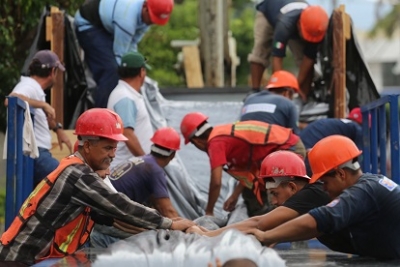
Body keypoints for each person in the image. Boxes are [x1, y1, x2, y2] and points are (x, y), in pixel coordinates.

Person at [0, 108, 194, 266]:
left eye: (115, 148)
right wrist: (169, 224)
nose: (113, 155)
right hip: (20, 260)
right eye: (107, 148)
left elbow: (111, 219)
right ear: (87, 147)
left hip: (34, 256)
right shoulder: (77, 175)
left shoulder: (80, 171)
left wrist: (156, 232)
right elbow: (119, 205)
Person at [245, 135, 400, 260]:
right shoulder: (371, 183)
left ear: (340, 174)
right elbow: (318, 229)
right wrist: (276, 237)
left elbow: (321, 219)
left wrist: (266, 235)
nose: (324, 188)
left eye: (325, 182)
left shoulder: (364, 191)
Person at [180, 112, 306, 217]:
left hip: (289, 147)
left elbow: (216, 183)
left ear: (196, 141)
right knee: (254, 191)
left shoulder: (215, 143)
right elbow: (249, 172)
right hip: (286, 146)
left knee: (276, 196)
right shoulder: (223, 134)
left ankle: (284, 238)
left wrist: (209, 211)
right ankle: (265, 228)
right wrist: (234, 196)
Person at [187, 151, 329, 238]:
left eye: (275, 193)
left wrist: (208, 235)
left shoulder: (310, 195)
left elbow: (259, 223)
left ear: (292, 187)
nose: (273, 201)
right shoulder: (314, 195)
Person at [90, 127, 182, 248]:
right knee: (155, 238)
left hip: (99, 213)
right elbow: (168, 211)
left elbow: (157, 204)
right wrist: (185, 233)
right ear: (173, 154)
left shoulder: (142, 161)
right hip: (108, 221)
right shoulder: (154, 170)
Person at [74, 0, 174, 108]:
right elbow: (120, 56)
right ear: (145, 7)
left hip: (108, 26)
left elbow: (132, 45)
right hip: (88, 24)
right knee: (111, 70)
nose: (151, 22)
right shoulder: (127, 19)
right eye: (151, 17)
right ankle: (101, 114)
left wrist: (139, 68)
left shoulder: (147, 17)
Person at [6, 50, 72, 186]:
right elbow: (11, 99)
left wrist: (57, 129)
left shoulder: (34, 89)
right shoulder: (29, 86)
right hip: (35, 155)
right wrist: (43, 105)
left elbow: (39, 114)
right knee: (68, 181)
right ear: (53, 71)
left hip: (35, 154)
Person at [248, 0, 329, 99]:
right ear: (299, 25)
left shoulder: (316, 27)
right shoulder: (285, 25)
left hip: (294, 22)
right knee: (261, 49)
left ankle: (305, 94)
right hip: (268, 14)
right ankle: (254, 90)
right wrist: (280, 90)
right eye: (306, 36)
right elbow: (277, 58)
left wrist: (295, 88)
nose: (308, 40)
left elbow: (308, 60)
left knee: (302, 56)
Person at [107, 51, 153, 168]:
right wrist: (146, 162)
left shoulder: (125, 93)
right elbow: (127, 133)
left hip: (129, 166)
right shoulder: (125, 98)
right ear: (141, 72)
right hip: (127, 167)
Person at [300, 107, 364, 176]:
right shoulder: (357, 129)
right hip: (309, 153)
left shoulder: (340, 124)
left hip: (301, 149)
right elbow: (359, 160)